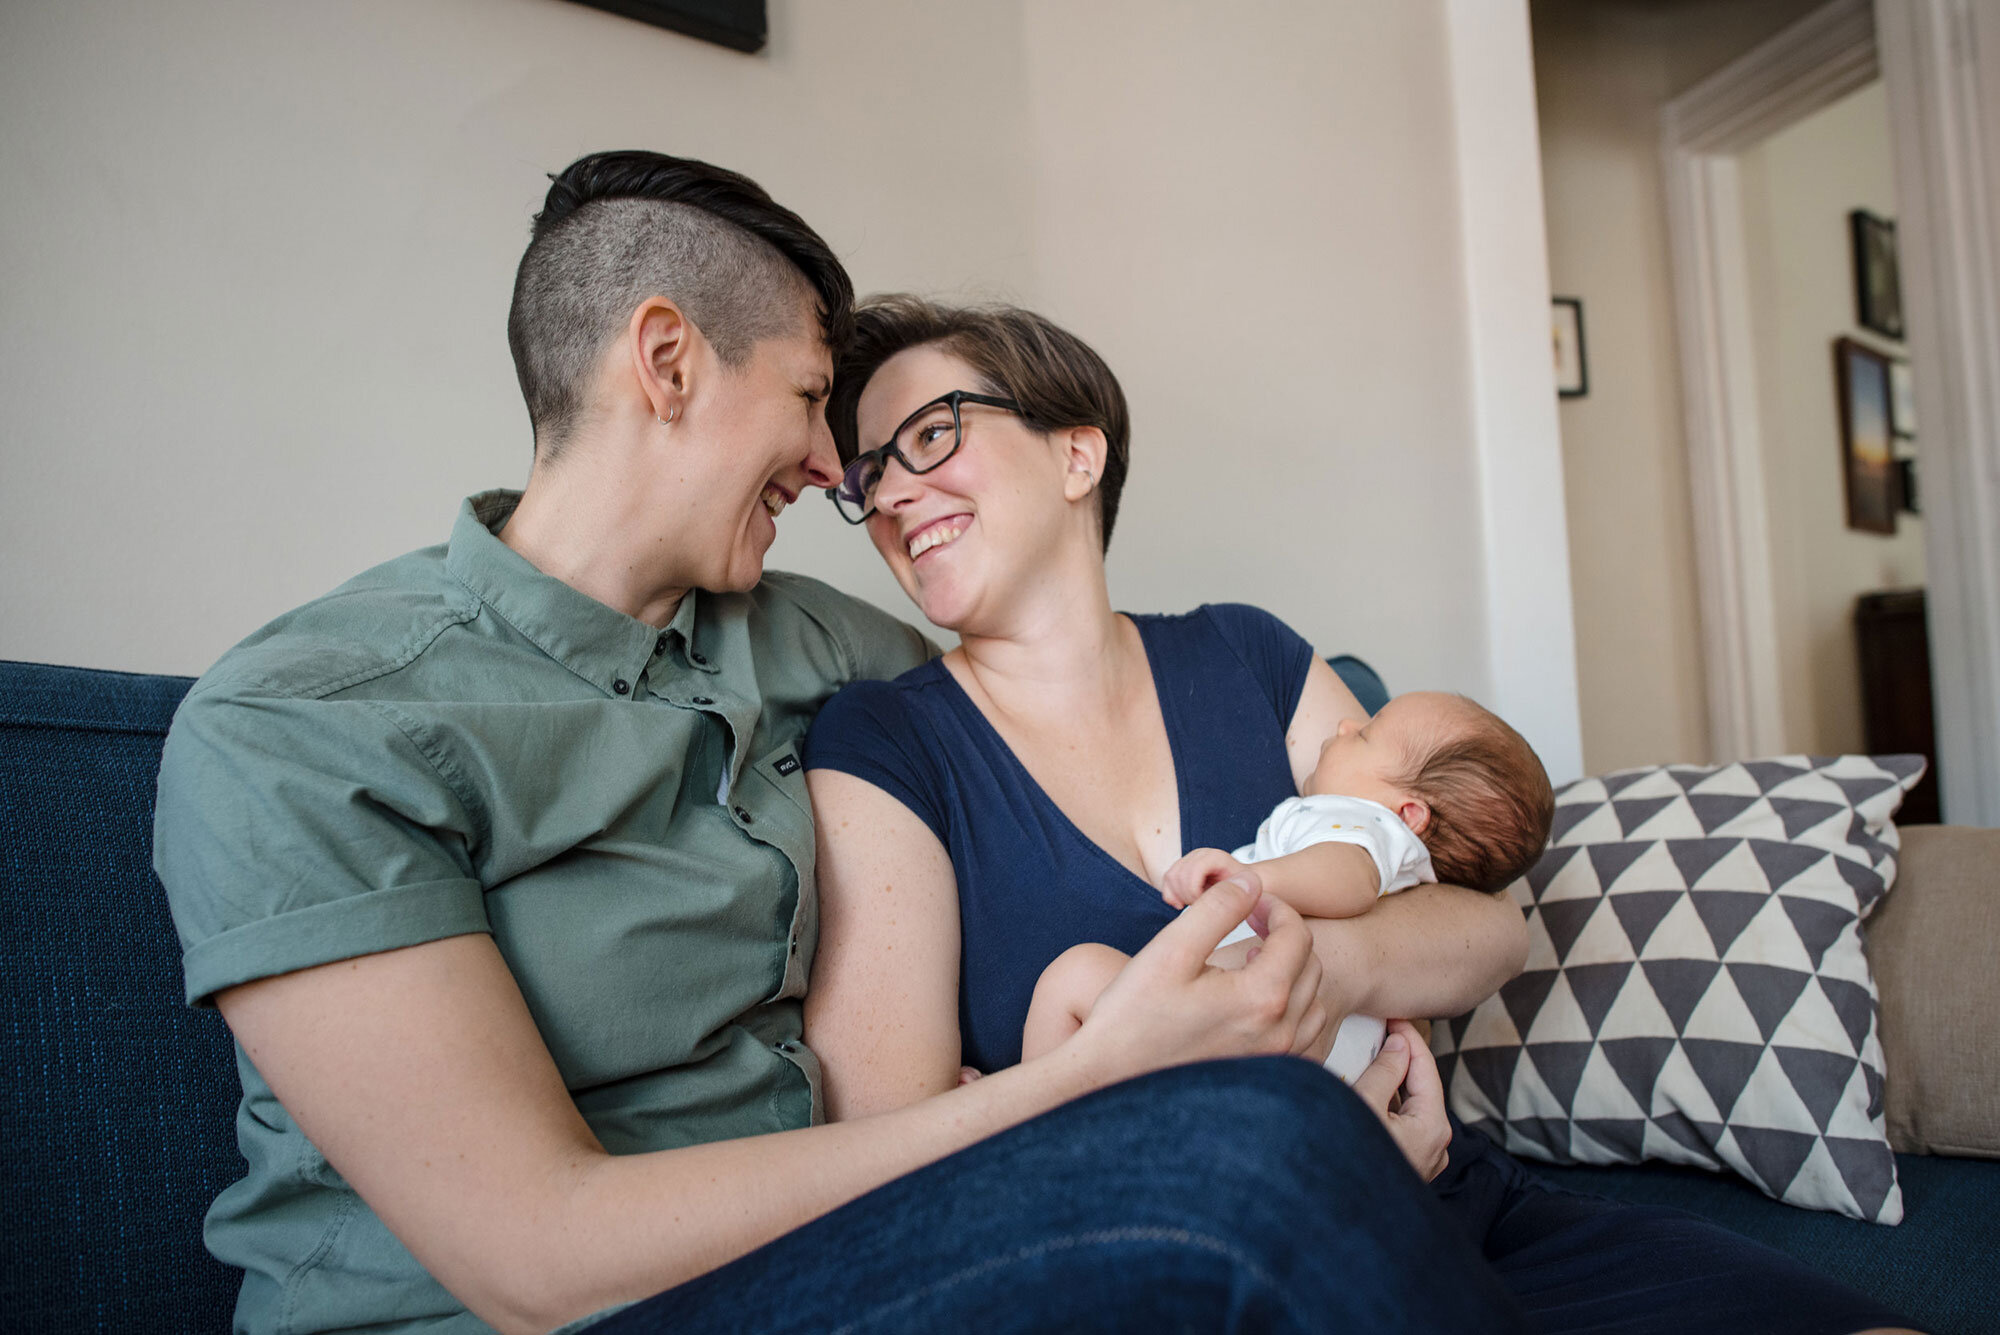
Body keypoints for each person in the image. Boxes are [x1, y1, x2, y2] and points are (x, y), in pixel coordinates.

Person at [152, 151, 1533, 1335]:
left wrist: (1332, 1019)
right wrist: (1088, 1089)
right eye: (818, 402)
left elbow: (1059, 714)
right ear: (668, 359)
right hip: (564, 1308)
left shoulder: (812, 646)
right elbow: (533, 1253)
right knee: (1252, 1156)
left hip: (849, 1248)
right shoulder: (309, 723)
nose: (838, 475)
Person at [801, 296, 1917, 1335]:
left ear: (1075, 452)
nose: (890, 494)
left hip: (1440, 1189)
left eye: (932, 435)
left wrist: (1318, 988)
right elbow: (883, 1154)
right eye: (868, 471)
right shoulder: (884, 744)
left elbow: (1482, 931)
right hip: (1179, 1263)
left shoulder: (1245, 655)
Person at [1020, 690, 1555, 1081]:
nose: (1346, 724)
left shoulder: (1361, 824)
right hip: (1305, 1060)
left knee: (1073, 977)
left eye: (1366, 734)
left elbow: (1350, 881)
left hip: (1247, 1008)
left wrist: (1252, 880)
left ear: (1409, 813)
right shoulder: (1399, 859)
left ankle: (1019, 1127)